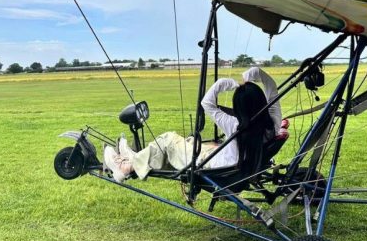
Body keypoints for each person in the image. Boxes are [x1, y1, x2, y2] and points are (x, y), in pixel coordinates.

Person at [104, 67, 282, 182]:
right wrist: (254, 76)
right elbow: (273, 90)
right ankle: (134, 157)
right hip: (227, 163)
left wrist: (223, 84)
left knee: (168, 139)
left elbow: (207, 103)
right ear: (261, 103)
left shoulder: (234, 124)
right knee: (188, 142)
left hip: (212, 167)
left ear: (239, 108)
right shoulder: (272, 124)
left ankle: (125, 166)